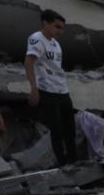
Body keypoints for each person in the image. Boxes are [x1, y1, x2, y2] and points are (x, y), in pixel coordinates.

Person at [25, 9, 77, 165]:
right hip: (47, 91)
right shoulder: (36, 39)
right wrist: (33, 89)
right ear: (45, 23)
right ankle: (62, 163)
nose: (60, 31)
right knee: (57, 129)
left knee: (70, 128)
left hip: (62, 90)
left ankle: (73, 161)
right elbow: (29, 63)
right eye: (57, 26)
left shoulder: (56, 44)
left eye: (62, 28)